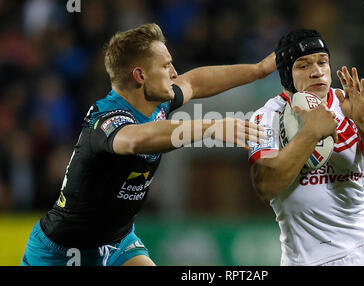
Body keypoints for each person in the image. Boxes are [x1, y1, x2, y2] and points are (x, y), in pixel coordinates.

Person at [21, 23, 275, 266]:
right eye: (166, 66)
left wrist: (260, 69)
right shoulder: (107, 119)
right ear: (140, 75)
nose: (174, 73)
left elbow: (194, 82)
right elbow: (136, 140)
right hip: (62, 251)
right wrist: (211, 126)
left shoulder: (157, 103)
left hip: (117, 243)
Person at [248, 29, 364, 266]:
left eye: (323, 62)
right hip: (307, 260)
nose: (317, 72)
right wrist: (312, 132)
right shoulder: (266, 117)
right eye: (303, 65)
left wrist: (363, 123)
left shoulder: (355, 104)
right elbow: (265, 186)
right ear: (286, 74)